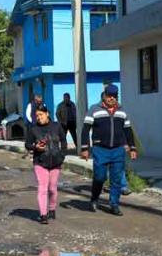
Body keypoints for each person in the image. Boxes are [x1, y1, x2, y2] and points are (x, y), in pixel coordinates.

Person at [79, 84, 137, 216]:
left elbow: (128, 130)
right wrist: (85, 148)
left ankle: (114, 204)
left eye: (114, 96)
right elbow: (85, 129)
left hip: (118, 150)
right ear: (104, 96)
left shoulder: (122, 111)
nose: (112, 98)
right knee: (100, 177)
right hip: (100, 149)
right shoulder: (94, 109)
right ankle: (94, 198)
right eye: (109, 96)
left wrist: (132, 147)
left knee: (116, 179)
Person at [24, 104, 67, 225]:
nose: (39, 117)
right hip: (40, 162)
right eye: (37, 115)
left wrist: (62, 155)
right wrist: (35, 147)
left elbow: (63, 141)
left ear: (47, 114)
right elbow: (27, 144)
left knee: (52, 189)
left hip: (55, 162)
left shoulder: (56, 126)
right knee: (42, 188)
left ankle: (52, 208)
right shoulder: (33, 129)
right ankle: (43, 214)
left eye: (41, 115)